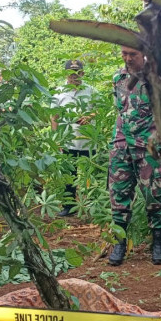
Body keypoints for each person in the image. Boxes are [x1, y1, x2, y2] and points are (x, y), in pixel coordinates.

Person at [107, 46, 161, 266]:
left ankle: (158, 242)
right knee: (119, 195)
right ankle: (119, 243)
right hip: (121, 145)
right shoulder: (118, 77)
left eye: (132, 54)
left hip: (148, 148)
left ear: (144, 53)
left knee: (154, 195)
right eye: (124, 54)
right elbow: (120, 110)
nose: (128, 58)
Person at [52, 59, 96, 217]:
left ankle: (93, 205)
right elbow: (54, 117)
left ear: (82, 73)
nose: (74, 76)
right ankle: (68, 206)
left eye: (77, 72)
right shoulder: (59, 92)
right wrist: (56, 138)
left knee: (91, 174)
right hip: (68, 140)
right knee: (69, 174)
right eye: (71, 73)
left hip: (88, 141)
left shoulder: (91, 91)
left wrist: (89, 116)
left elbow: (99, 109)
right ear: (66, 74)